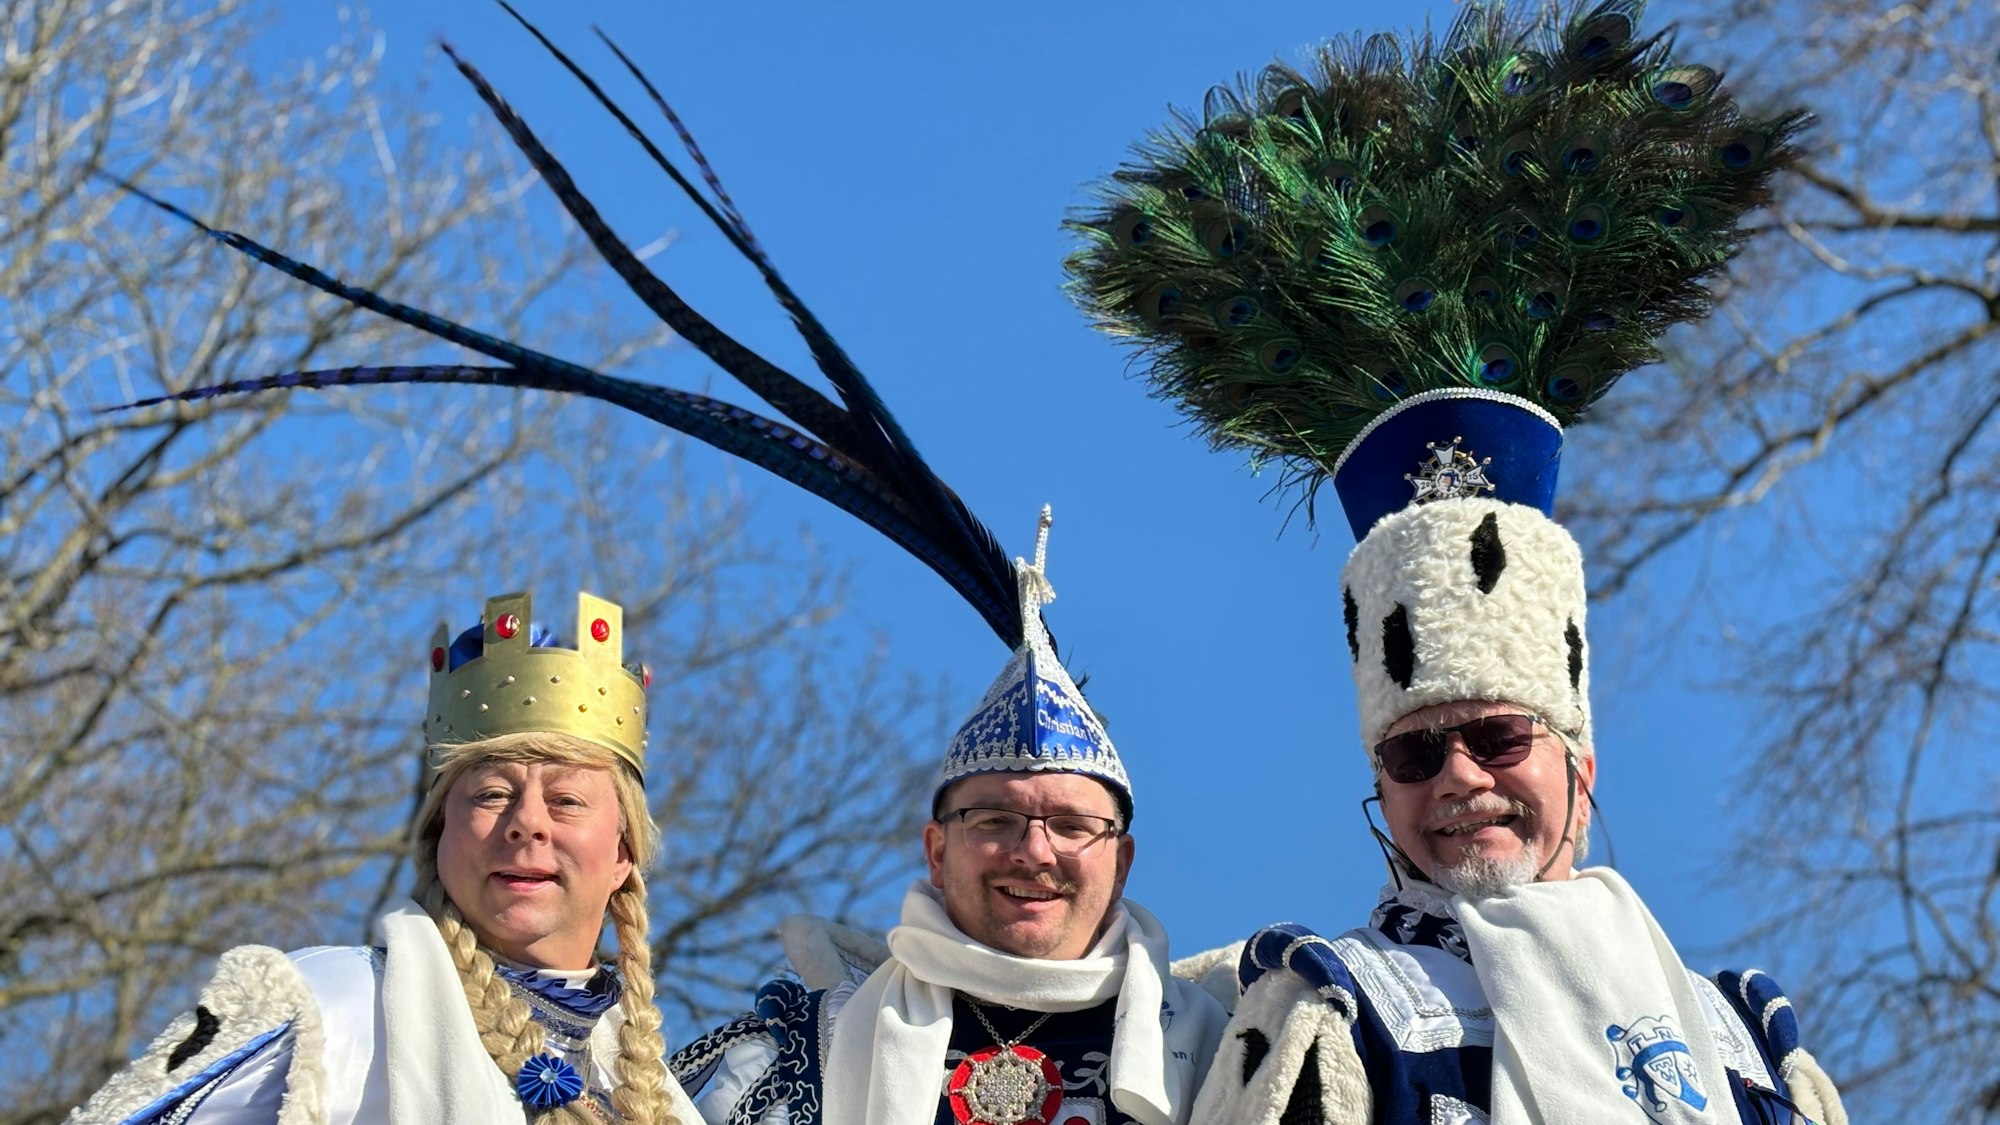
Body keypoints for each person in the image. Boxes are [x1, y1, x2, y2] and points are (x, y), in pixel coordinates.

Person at [1063, 3, 1847, 1121]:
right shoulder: (1330, 1021)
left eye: (1496, 737)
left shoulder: (1747, 1048)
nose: (1458, 783)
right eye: (1414, 752)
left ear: (1580, 760)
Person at [678, 510, 1228, 1125]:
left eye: (1071, 826)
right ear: (937, 851)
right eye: (994, 820)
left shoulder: (1226, 1055)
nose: (1035, 852)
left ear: (1121, 862)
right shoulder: (795, 1055)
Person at [70, 592, 701, 1124]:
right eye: (491, 794)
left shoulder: (662, 1098)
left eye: (565, 800)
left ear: (623, 856)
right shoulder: (332, 1008)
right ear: (439, 837)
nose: (526, 823)